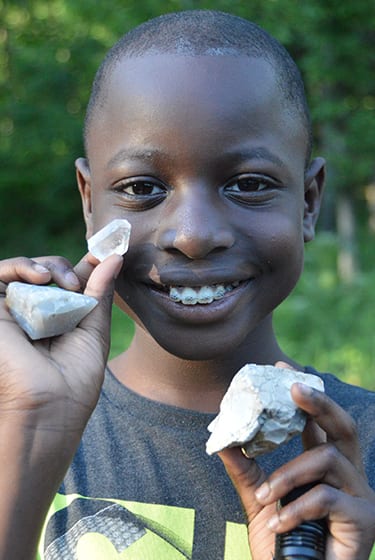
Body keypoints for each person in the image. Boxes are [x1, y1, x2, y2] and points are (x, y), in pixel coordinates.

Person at [0, 10, 374, 560]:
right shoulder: (13, 426)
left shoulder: (362, 450)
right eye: (142, 187)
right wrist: (33, 430)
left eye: (248, 184)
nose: (193, 236)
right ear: (88, 202)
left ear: (308, 202)